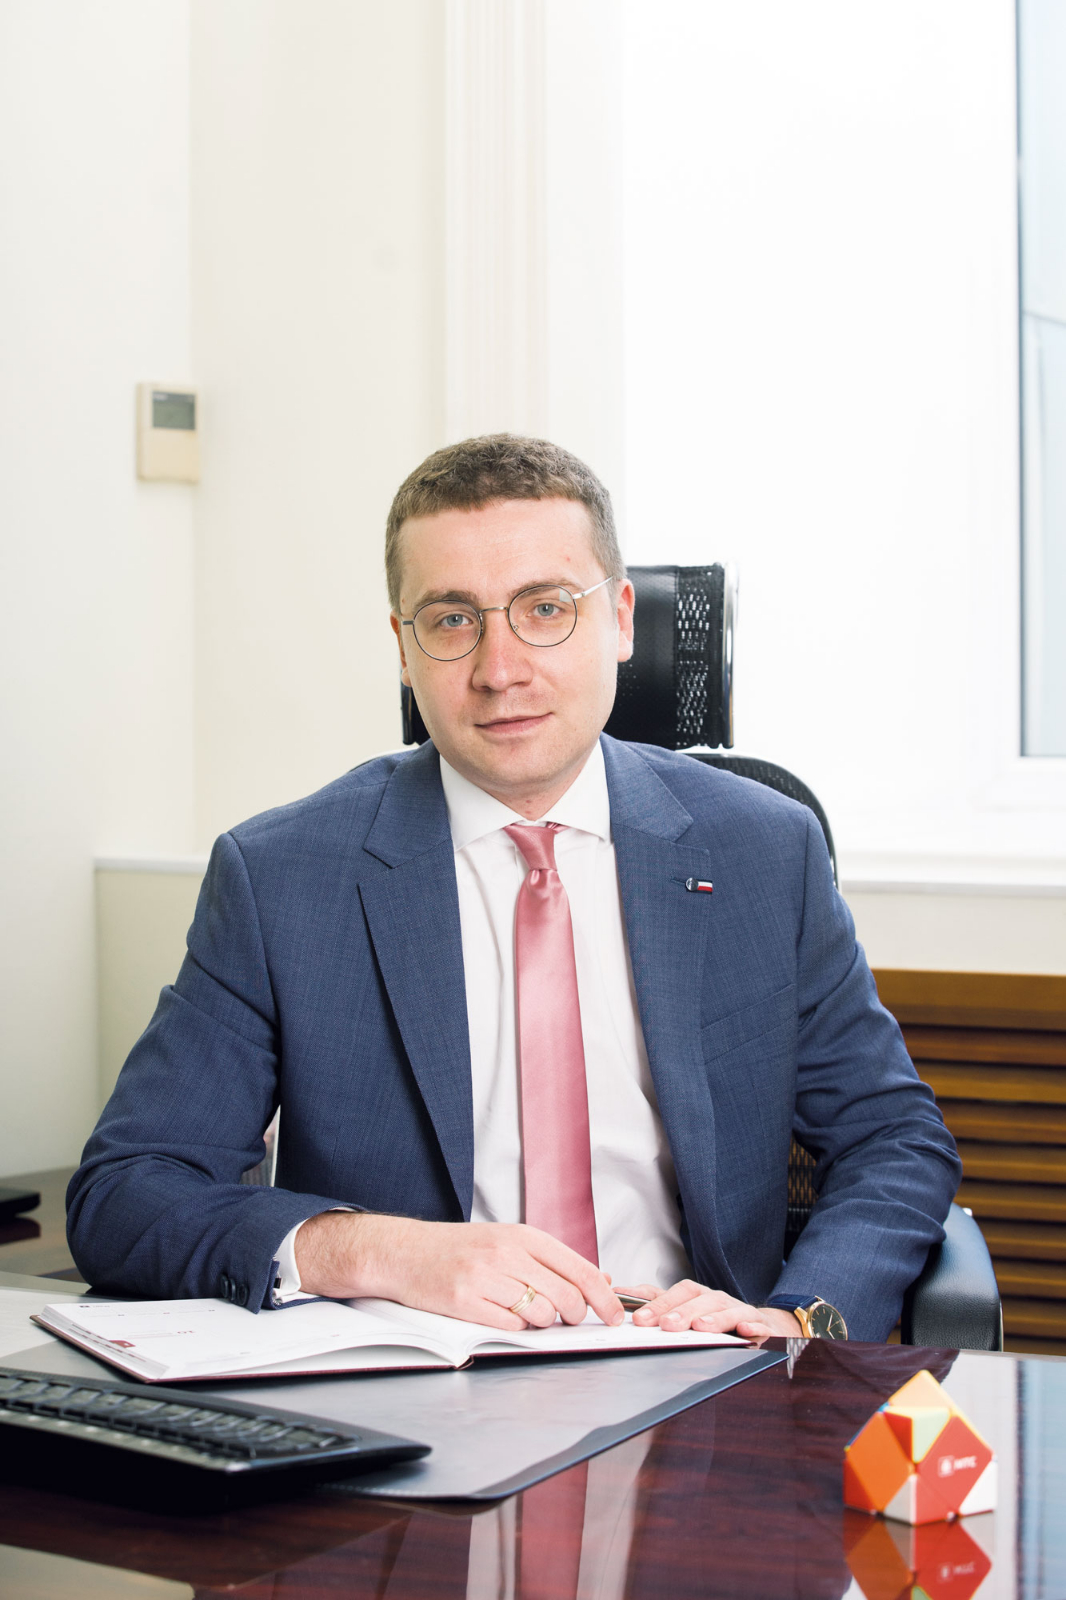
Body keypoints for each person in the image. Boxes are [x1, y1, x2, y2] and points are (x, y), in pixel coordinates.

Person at [67, 435, 960, 1342]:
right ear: (403, 649)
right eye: (453, 619)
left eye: (545, 609)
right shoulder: (282, 878)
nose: (501, 670)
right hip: (412, 1383)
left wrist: (797, 1320)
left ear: (621, 620)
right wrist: (379, 1250)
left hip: (696, 1366)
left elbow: (893, 1138)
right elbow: (125, 1192)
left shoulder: (764, 851)